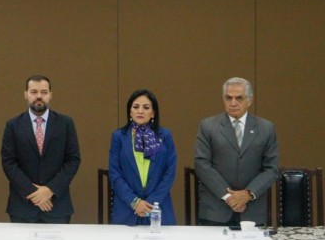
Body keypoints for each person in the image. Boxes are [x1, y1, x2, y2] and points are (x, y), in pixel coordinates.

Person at [195, 77, 279, 226]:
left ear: (249, 100)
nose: (233, 103)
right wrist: (229, 197)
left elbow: (271, 169)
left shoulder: (266, 128)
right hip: (216, 210)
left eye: (239, 98)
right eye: (229, 98)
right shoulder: (208, 126)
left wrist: (248, 194)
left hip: (252, 210)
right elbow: (202, 164)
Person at [1, 75, 81, 224]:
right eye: (33, 92)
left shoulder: (65, 123)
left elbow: (73, 160)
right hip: (22, 207)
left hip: (57, 206)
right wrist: (34, 193)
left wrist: (50, 190)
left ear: (51, 95)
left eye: (44, 92)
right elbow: (9, 163)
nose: (39, 96)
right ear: (25, 94)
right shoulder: (13, 125)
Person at [108, 89, 177, 226]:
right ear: (130, 111)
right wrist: (135, 202)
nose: (140, 111)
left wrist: (150, 203)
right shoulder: (119, 137)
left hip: (158, 208)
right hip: (127, 210)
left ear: (153, 113)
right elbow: (115, 174)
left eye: (146, 108)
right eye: (135, 107)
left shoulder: (165, 136)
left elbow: (169, 172)